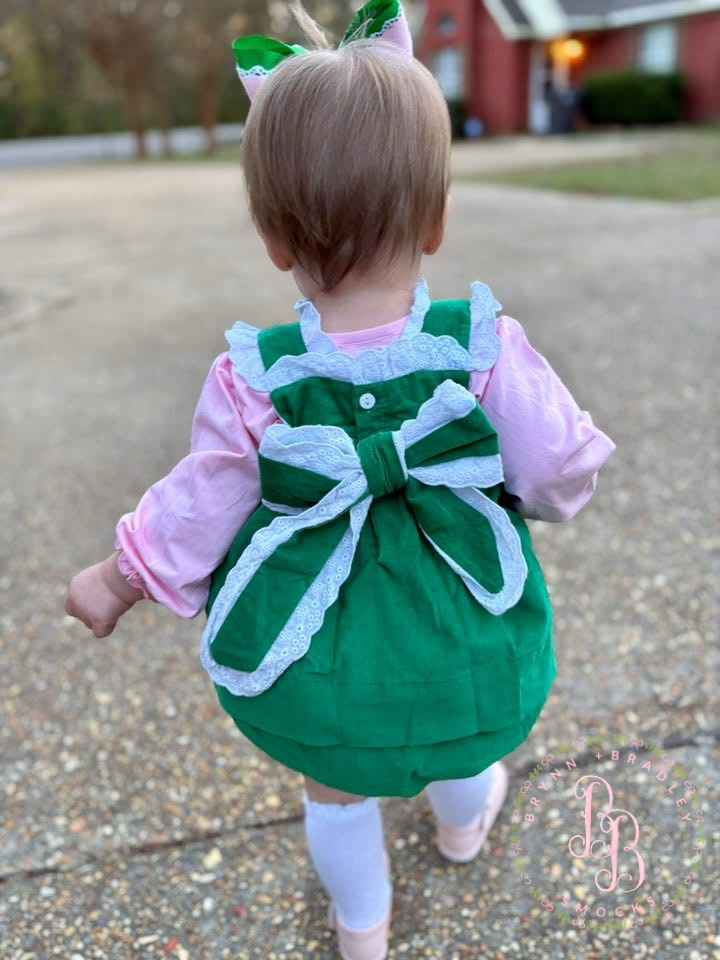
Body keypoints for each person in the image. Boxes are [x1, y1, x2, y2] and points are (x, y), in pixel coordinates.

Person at [64, 2, 615, 957]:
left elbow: (204, 496)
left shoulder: (255, 377)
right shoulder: (481, 347)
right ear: (436, 221)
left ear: (273, 241)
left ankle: (363, 925)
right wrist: (536, 497)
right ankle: (464, 822)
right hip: (458, 622)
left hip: (319, 643)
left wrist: (119, 578)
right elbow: (559, 464)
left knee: (335, 785)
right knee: (463, 728)